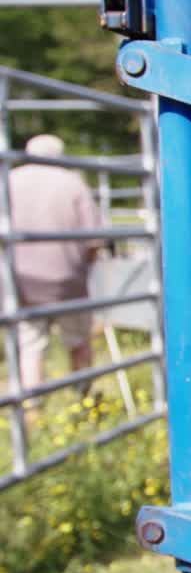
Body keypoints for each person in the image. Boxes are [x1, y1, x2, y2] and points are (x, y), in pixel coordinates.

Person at [8, 134, 102, 400]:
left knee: (30, 346)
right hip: (68, 279)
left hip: (21, 280)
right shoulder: (72, 182)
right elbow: (94, 239)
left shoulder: (10, 180)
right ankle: (82, 401)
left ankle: (31, 408)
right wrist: (84, 269)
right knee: (79, 340)